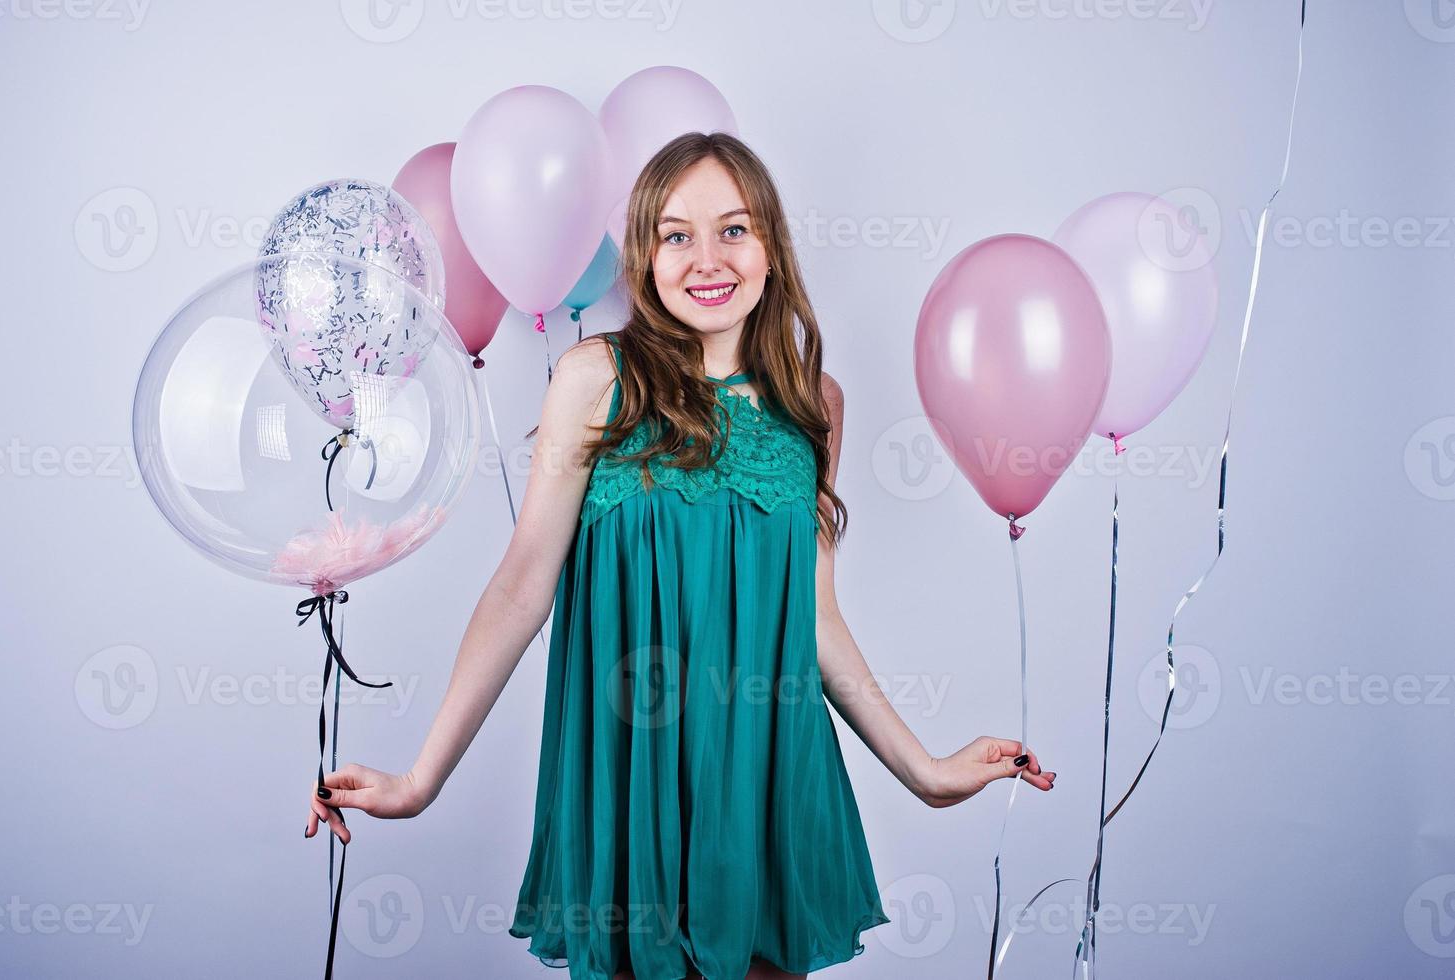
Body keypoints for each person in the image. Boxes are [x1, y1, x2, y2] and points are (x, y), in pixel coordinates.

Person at [306, 131, 1055, 980]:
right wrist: (419, 779)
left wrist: (925, 772)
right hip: (632, 777)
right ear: (645, 254)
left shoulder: (815, 405)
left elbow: (813, 619)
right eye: (675, 234)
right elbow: (522, 584)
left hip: (768, 775)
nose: (707, 258)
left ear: (771, 245)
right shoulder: (598, 378)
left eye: (733, 229)